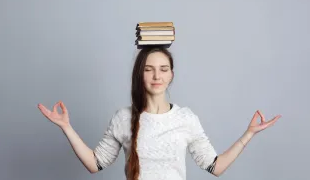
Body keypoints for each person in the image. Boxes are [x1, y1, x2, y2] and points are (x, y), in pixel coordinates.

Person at [38, 46, 281, 180]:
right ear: (139, 75)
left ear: (171, 75)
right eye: (149, 70)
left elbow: (214, 167)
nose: (157, 76)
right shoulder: (123, 118)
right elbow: (95, 164)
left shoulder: (186, 119)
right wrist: (66, 127)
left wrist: (248, 135)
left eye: (164, 69)